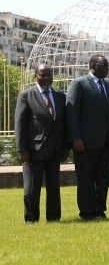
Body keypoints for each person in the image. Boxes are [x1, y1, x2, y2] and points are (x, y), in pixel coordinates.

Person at [14, 64, 68, 223]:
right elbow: (19, 124)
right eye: (42, 75)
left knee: (53, 187)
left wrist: (65, 147)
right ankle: (31, 219)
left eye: (49, 75)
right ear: (35, 76)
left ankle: (54, 217)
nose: (46, 78)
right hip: (33, 150)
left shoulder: (59, 96)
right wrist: (22, 149)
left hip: (55, 150)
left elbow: (63, 124)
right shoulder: (26, 95)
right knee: (31, 187)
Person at [66, 54, 109, 220]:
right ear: (93, 65)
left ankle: (99, 210)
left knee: (103, 178)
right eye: (104, 65)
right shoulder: (79, 84)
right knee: (86, 178)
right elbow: (71, 112)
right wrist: (75, 138)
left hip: (106, 143)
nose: (108, 69)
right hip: (85, 143)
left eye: (108, 66)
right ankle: (87, 212)